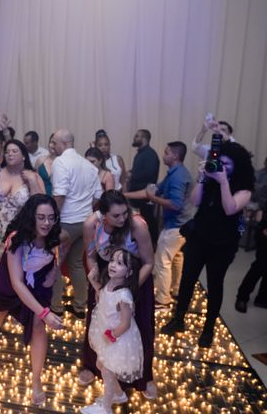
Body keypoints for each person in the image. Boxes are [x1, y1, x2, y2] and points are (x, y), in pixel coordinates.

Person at [0, 194, 64, 407]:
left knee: (39, 328)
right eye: (41, 217)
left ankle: (35, 380)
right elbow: (17, 283)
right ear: (31, 217)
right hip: (12, 284)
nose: (47, 223)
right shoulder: (16, 238)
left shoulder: (56, 234)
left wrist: (55, 270)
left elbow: (65, 243)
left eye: (51, 218)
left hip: (39, 283)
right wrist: (46, 313)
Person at [162, 142, 254, 348]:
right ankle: (178, 319)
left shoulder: (244, 189)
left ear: (237, 166)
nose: (222, 167)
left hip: (223, 243)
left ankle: (208, 328)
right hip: (199, 237)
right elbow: (195, 201)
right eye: (219, 162)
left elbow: (230, 209)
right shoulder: (211, 177)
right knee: (187, 280)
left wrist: (223, 182)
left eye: (227, 164)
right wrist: (203, 178)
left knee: (215, 285)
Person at [79, 190, 156, 398]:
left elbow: (149, 262)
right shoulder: (91, 226)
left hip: (135, 277)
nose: (122, 218)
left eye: (125, 213)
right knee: (99, 322)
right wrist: (98, 288)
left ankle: (144, 376)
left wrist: (127, 290)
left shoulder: (137, 226)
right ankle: (93, 366)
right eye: (116, 216)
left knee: (140, 325)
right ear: (103, 214)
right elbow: (91, 257)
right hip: (106, 277)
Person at [125, 141, 193, 310]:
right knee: (176, 258)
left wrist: (153, 199)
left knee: (162, 261)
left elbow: (175, 204)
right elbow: (152, 191)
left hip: (176, 225)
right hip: (181, 225)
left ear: (175, 156)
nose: (163, 155)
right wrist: (124, 194)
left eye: (166, 152)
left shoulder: (178, 176)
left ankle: (163, 299)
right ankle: (176, 290)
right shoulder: (174, 173)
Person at [0, 140, 44, 313]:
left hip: (17, 232)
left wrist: (31, 181)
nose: (10, 154)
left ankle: (12, 307)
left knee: (13, 272)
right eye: (7, 151)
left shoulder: (31, 175)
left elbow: (42, 202)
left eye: (14, 151)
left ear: (23, 155)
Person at [81, 247, 143, 414]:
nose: (113, 265)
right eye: (113, 261)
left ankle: (106, 408)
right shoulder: (109, 284)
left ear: (129, 272)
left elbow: (126, 323)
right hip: (106, 332)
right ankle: (118, 394)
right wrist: (92, 278)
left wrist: (112, 335)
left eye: (120, 263)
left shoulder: (124, 296)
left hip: (118, 338)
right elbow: (101, 295)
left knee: (107, 371)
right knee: (101, 364)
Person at [50, 129, 103, 319]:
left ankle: (56, 307)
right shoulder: (88, 165)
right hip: (86, 222)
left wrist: (53, 220)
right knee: (77, 264)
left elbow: (60, 194)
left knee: (53, 263)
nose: (52, 146)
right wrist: (85, 208)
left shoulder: (61, 162)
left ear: (64, 144)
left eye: (54, 143)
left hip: (66, 221)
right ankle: (80, 306)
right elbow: (98, 195)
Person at [128, 129, 160, 246]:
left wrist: (132, 175)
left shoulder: (150, 154)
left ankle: (152, 244)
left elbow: (149, 173)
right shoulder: (141, 153)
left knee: (148, 221)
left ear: (144, 139)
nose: (134, 138)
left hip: (145, 196)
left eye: (137, 136)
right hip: (137, 197)